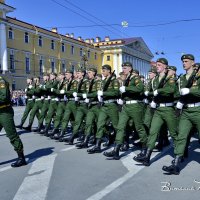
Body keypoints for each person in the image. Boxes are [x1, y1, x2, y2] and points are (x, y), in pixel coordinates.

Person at [134, 58, 178, 166]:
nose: (156, 66)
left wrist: (159, 91)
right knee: (153, 131)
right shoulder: (156, 79)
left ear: (165, 66)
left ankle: (179, 155)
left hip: (168, 109)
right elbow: (154, 93)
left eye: (159, 65)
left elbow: (171, 90)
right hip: (158, 109)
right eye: (156, 65)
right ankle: (147, 157)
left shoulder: (170, 77)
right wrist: (154, 100)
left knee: (173, 133)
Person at [163, 55, 200, 175]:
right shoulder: (183, 78)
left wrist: (191, 91)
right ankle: (176, 163)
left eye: (186, 61)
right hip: (186, 111)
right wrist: (179, 103)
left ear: (192, 63)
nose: (184, 63)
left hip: (198, 109)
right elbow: (181, 94)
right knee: (181, 136)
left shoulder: (198, 76)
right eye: (183, 61)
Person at [103, 62, 148, 159]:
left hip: (135, 106)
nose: (123, 70)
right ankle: (116, 150)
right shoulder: (126, 79)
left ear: (130, 68)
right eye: (123, 68)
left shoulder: (135, 78)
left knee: (139, 127)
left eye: (125, 68)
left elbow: (140, 88)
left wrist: (126, 89)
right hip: (126, 107)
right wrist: (121, 98)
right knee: (120, 127)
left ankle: (145, 148)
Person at [0, 74, 26, 167]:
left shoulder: (1, 82)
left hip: (5, 112)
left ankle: (21, 158)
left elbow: (3, 97)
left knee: (12, 135)